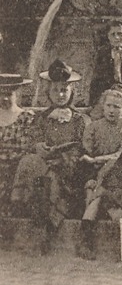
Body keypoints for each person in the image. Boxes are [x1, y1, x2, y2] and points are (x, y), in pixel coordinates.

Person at [10, 60, 87, 254]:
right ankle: (24, 213)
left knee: (50, 179)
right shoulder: (41, 118)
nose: (60, 95)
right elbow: (33, 140)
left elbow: (81, 149)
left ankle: (44, 231)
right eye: (55, 91)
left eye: (64, 90)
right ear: (48, 93)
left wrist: (62, 159)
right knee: (30, 164)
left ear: (71, 93)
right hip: (44, 165)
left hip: (69, 170)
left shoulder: (80, 120)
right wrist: (38, 147)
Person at [77, 84, 122, 259]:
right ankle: (85, 242)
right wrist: (94, 166)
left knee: (102, 194)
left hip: (118, 175)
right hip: (93, 174)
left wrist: (97, 160)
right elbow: (86, 152)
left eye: (117, 107)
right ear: (102, 106)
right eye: (108, 105)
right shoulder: (93, 127)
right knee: (96, 196)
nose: (112, 110)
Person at [0, 73, 35, 246]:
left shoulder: (26, 117)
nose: (5, 98)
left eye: (9, 94)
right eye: (1, 94)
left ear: (17, 94)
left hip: (16, 164)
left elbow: (26, 147)